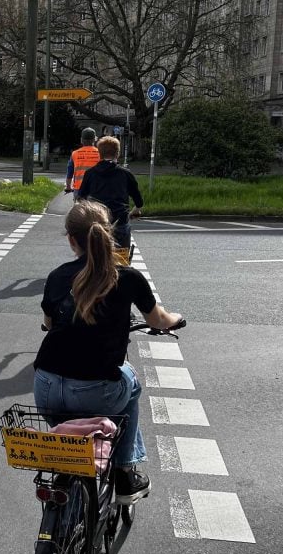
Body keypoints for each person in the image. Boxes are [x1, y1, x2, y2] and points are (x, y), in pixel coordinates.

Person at [33, 200, 183, 503]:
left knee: (74, 419)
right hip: (97, 390)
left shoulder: (57, 276)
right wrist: (175, 320)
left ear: (72, 240)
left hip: (46, 388)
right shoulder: (127, 277)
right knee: (132, 386)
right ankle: (126, 473)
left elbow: (49, 323)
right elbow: (158, 320)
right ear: (108, 233)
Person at [77, 135, 143, 249]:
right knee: (121, 258)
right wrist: (135, 210)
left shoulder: (90, 173)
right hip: (120, 220)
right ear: (117, 153)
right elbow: (138, 200)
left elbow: (81, 198)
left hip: (97, 222)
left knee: (96, 254)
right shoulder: (126, 174)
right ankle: (122, 264)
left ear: (99, 154)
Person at [64, 127, 100, 197]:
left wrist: (68, 187)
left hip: (79, 188)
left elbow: (70, 173)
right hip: (96, 188)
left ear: (81, 140)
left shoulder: (75, 154)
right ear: (94, 140)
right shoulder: (100, 153)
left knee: (79, 207)